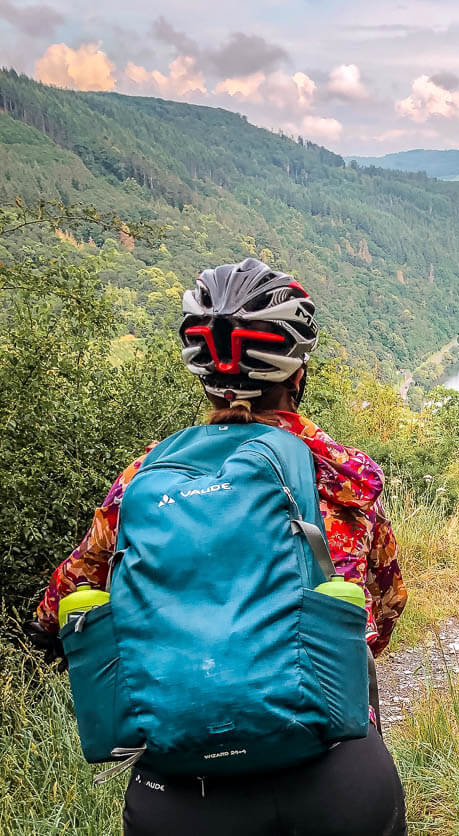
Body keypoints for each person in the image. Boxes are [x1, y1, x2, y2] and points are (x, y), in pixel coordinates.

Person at [26, 258, 408, 836]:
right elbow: (382, 606)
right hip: (337, 776)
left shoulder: (142, 481)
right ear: (297, 375)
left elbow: (63, 602)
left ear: (203, 377)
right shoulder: (344, 479)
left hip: (181, 792)